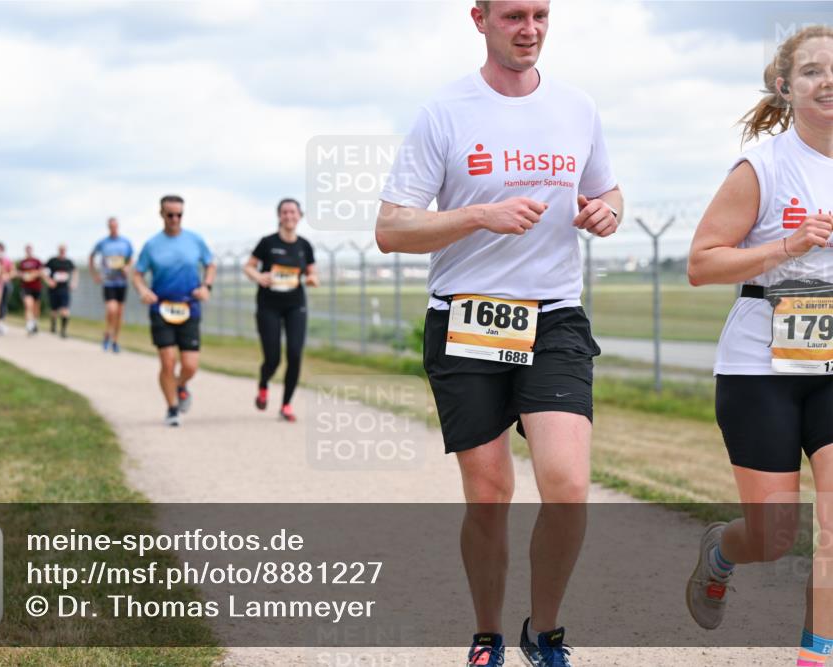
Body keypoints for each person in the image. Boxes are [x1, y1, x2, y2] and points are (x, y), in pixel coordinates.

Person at [375, 2, 623, 665]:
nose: (530, 29)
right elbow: (392, 228)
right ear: (479, 18)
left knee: (567, 484)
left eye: (541, 14)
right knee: (490, 492)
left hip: (555, 317)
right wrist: (479, 214)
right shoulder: (445, 111)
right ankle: (487, 634)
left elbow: (610, 194)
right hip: (467, 317)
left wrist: (605, 213)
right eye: (514, 15)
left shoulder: (578, 108)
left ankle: (544, 632)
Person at [686, 25, 832, 667]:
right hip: (760, 367)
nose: (827, 80)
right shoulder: (764, 166)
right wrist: (787, 247)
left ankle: (816, 654)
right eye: (811, 71)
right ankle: (722, 551)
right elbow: (701, 262)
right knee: (775, 535)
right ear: (785, 87)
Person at [132, 195, 216, 427]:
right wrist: (142, 290)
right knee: (168, 362)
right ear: (161, 214)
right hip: (162, 307)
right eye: (170, 215)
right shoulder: (152, 245)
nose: (175, 219)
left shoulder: (194, 241)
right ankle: (171, 408)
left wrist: (206, 286)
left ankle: (180, 385)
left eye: (179, 214)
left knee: (190, 365)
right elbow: (137, 273)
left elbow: (210, 264)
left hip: (189, 306)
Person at [243, 198, 319, 422]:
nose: (289, 216)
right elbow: (248, 267)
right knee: (273, 358)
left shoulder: (304, 245)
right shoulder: (267, 242)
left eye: (293, 212)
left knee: (295, 354)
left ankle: (286, 404)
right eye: (284, 212)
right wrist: (259, 276)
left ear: (299, 216)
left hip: (295, 305)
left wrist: (313, 279)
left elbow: (312, 273)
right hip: (269, 306)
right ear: (279, 216)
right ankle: (264, 383)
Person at [89, 217, 134, 353]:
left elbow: (131, 258)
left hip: (122, 281)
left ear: (118, 226)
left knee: (119, 313)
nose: (113, 228)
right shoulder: (103, 243)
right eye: (111, 226)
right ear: (108, 227)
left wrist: (127, 267)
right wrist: (95, 274)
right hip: (108, 281)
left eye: (115, 226)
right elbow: (91, 256)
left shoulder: (125, 242)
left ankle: (115, 340)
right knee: (111, 309)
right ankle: (107, 333)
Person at [45, 244, 77, 338]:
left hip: (64, 289)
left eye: (64, 249)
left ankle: (63, 331)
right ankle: (53, 325)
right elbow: (43, 271)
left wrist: (74, 282)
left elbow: (75, 271)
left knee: (65, 310)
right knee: (54, 310)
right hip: (54, 289)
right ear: (58, 250)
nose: (62, 251)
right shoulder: (52, 261)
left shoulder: (68, 262)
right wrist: (49, 281)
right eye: (61, 249)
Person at [17, 244, 44, 335]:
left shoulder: (37, 261)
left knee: (36, 307)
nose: (28, 251)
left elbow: (41, 272)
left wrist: (33, 274)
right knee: (28, 305)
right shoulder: (22, 262)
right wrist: (23, 275)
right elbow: (18, 272)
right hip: (25, 287)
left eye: (30, 249)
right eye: (27, 249)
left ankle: (35, 322)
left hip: (36, 287)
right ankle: (29, 325)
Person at [0, 242, 14, 335]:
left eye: (1, 249)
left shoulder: (7, 260)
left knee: (3, 304)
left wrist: (7, 275)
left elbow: (13, 271)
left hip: (4, 285)